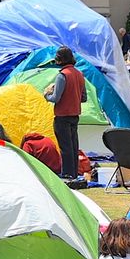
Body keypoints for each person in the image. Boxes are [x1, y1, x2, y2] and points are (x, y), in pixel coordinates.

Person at [44, 47, 87, 180]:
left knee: (65, 147)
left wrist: (46, 94)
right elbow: (84, 98)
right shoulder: (79, 74)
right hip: (75, 115)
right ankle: (73, 173)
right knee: (74, 146)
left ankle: (67, 174)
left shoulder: (62, 75)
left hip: (62, 116)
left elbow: (56, 98)